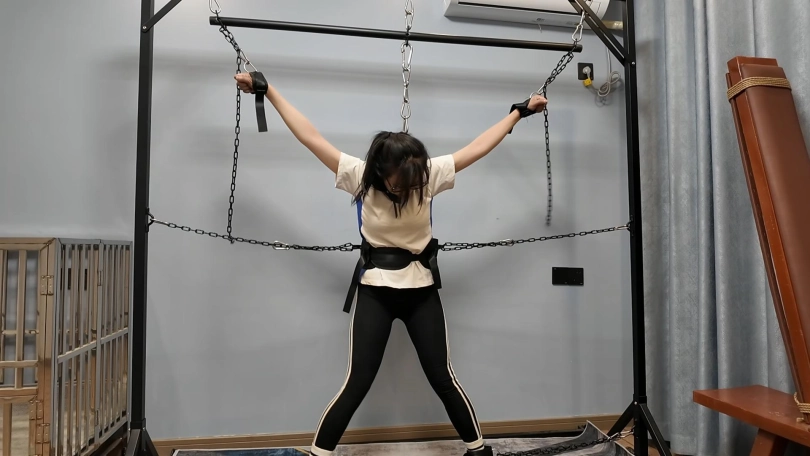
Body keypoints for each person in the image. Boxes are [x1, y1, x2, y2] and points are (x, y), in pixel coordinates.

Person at [235, 72, 547, 456]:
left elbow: (479, 146)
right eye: (404, 178)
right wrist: (267, 89)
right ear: (383, 171)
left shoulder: (426, 176)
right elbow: (309, 136)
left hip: (421, 293)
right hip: (375, 293)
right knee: (357, 382)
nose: (414, 185)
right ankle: (319, 454)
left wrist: (519, 112)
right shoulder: (359, 177)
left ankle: (479, 450)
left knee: (442, 377)